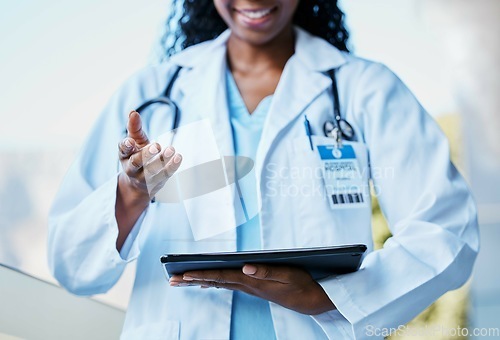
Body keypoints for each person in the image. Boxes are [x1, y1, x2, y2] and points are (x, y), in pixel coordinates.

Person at [48, 0, 479, 339]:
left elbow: (447, 229)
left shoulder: (366, 89)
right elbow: (73, 264)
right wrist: (132, 192)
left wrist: (332, 297)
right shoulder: (151, 91)